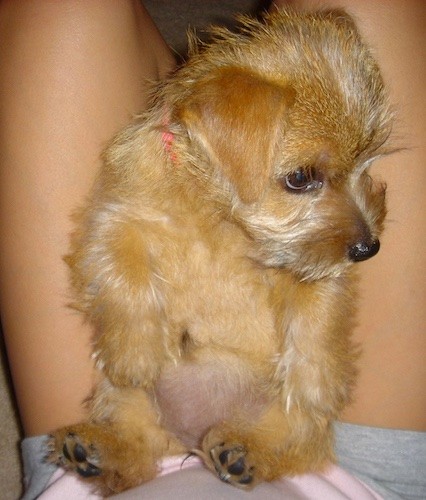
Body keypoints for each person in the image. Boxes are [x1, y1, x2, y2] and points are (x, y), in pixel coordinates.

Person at [0, 1, 424, 498]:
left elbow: (114, 234)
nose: (365, 232)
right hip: (352, 480)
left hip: (264, 415)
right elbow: (123, 233)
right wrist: (134, 318)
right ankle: (132, 442)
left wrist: (312, 369)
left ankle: (156, 446)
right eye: (304, 177)